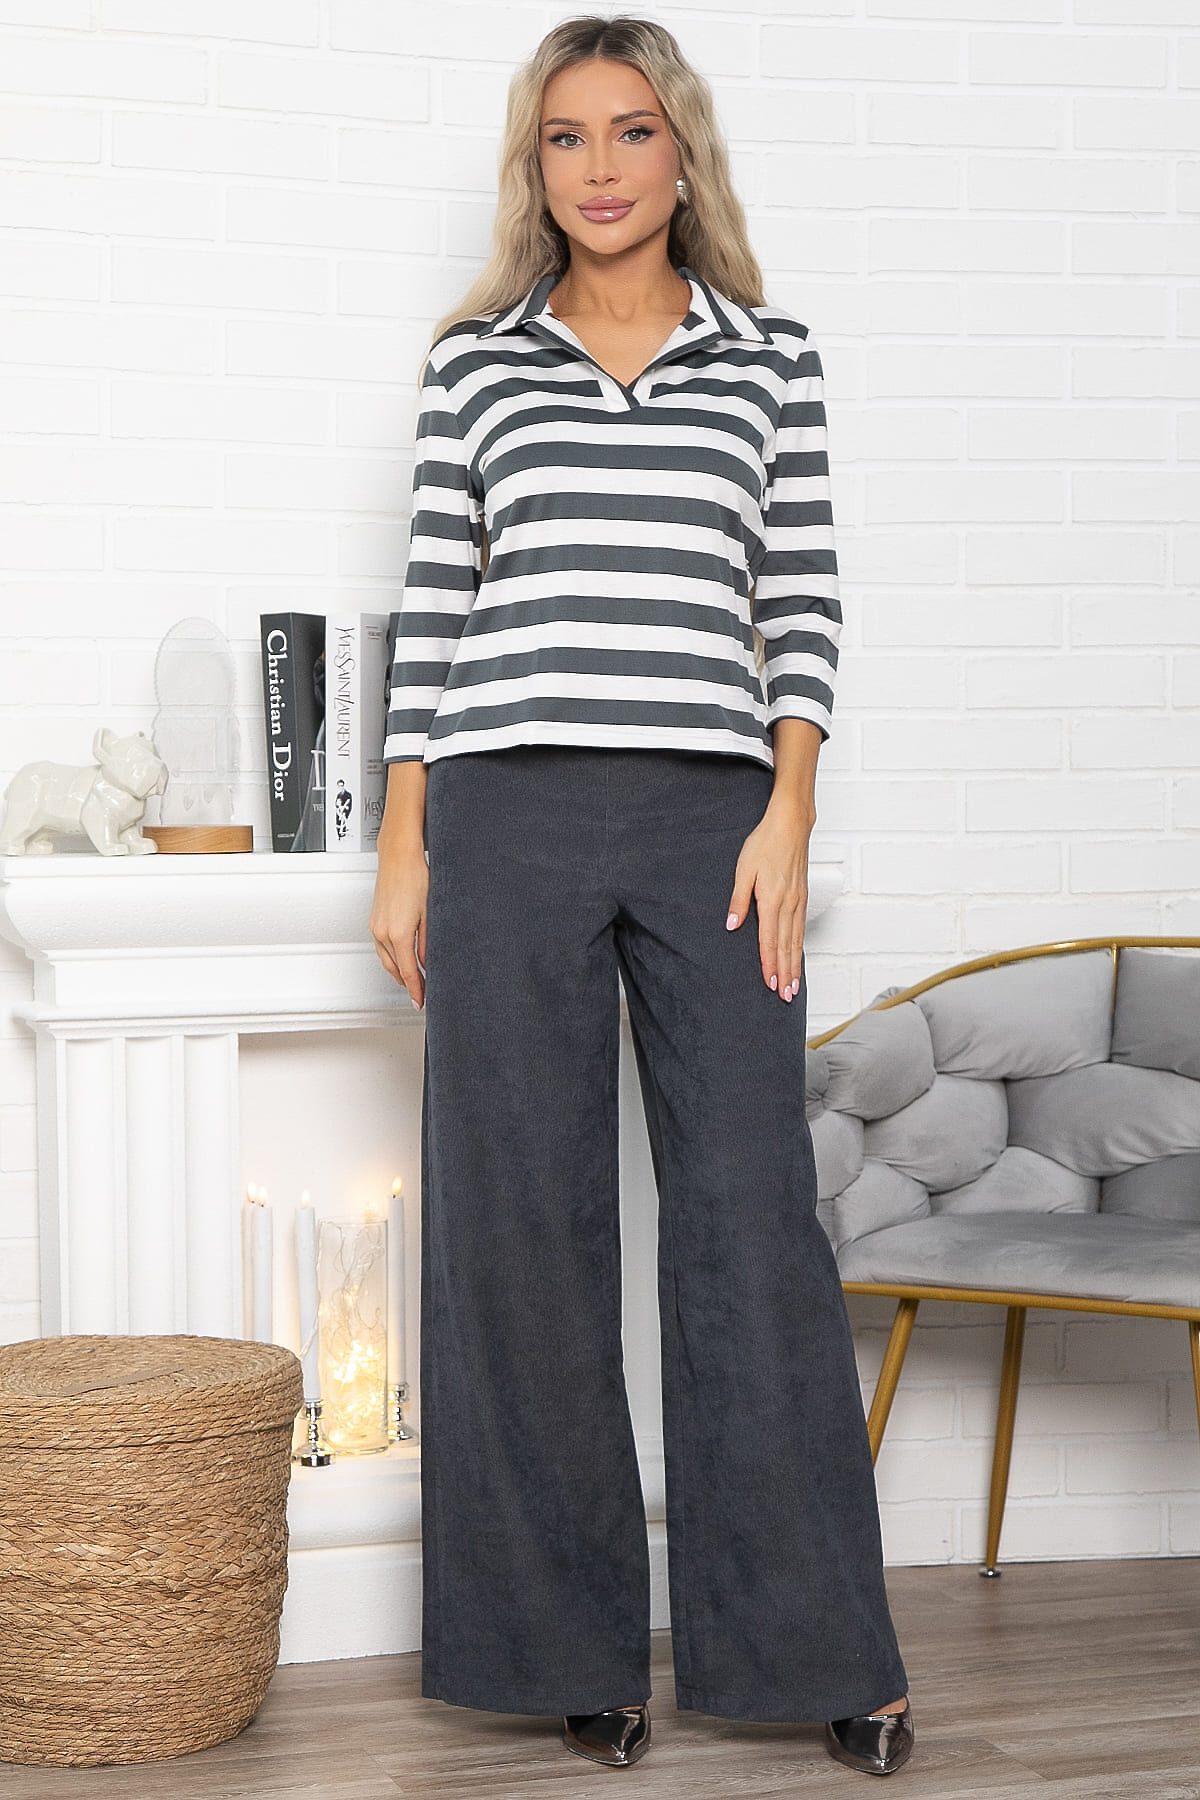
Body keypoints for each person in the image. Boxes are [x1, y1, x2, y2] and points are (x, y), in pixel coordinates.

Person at [369, 13, 914, 1781]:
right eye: (565, 138)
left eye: (629, 132)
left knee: (750, 1216)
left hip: (712, 822)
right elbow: (436, 609)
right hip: (506, 809)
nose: (599, 167)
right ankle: (568, 1650)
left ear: (682, 154)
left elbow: (802, 598)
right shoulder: (478, 365)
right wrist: (405, 841)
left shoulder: (770, 357)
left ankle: (826, 1652)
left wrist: (790, 810)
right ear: (534, 169)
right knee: (518, 1227)